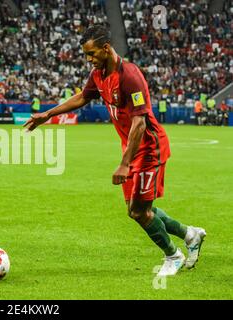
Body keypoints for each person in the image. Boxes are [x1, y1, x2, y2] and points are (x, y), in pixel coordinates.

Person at [24, 24, 206, 277]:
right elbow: (82, 97)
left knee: (138, 211)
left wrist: (124, 163)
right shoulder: (98, 74)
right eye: (86, 55)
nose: (89, 59)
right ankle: (190, 234)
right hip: (132, 148)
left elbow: (140, 122)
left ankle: (172, 255)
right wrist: (48, 114)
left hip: (148, 148)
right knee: (138, 209)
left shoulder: (130, 75)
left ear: (106, 48)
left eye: (92, 54)